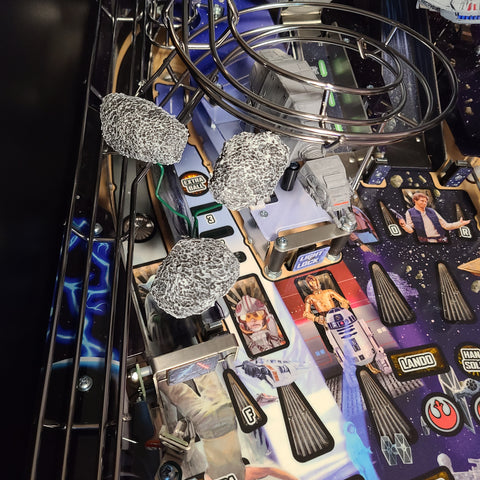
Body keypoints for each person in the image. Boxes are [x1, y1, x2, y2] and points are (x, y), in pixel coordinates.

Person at [398, 191, 470, 243]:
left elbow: (446, 226)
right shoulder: (410, 212)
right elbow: (411, 230)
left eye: (425, 201)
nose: (424, 203)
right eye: (422, 201)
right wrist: (404, 225)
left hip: (441, 240)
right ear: (415, 201)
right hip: (424, 241)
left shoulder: (432, 211)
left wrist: (460, 224)